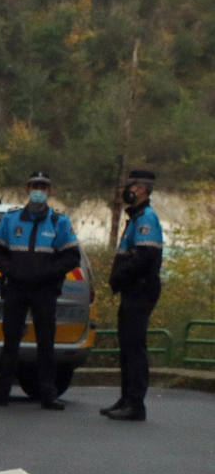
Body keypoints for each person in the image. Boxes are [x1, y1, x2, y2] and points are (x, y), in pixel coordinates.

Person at [0, 171, 82, 410]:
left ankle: (48, 394)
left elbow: (72, 257)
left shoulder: (59, 222)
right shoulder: (11, 219)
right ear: (27, 188)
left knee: (46, 343)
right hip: (16, 288)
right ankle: (0, 392)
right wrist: (11, 270)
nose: (39, 190)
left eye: (43, 187)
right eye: (35, 186)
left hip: (44, 291)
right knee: (10, 341)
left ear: (49, 191)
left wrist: (46, 273)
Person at [103, 169, 163, 422]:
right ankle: (126, 398)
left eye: (131, 186)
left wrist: (119, 276)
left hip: (140, 289)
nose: (127, 190)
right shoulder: (136, 217)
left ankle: (136, 403)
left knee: (134, 347)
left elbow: (144, 257)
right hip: (132, 289)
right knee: (126, 347)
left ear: (141, 189)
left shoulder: (147, 218)